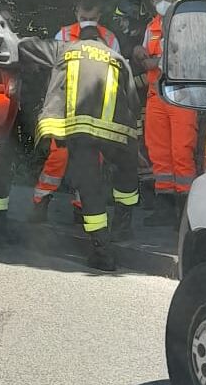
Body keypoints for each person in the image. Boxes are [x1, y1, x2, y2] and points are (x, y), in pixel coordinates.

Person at [17, 28, 141, 270]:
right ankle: (123, 228)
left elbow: (27, 47)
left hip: (79, 130)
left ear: (80, 39)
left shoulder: (66, 49)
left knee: (90, 187)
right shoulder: (117, 58)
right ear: (103, 41)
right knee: (125, 177)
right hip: (115, 131)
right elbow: (133, 101)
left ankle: (102, 250)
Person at [28, 0, 120, 223]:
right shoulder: (64, 35)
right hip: (66, 107)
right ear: (76, 12)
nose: (88, 22)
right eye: (84, 18)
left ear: (100, 16)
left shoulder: (109, 38)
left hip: (94, 109)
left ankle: (82, 206)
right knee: (58, 158)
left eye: (93, 19)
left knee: (90, 161)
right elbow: (54, 70)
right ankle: (41, 202)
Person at [133, 0, 199, 227]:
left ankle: (185, 210)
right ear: (152, 2)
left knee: (181, 150)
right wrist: (140, 53)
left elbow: (189, 54)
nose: (161, 2)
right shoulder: (152, 26)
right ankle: (165, 204)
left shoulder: (189, 23)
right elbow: (146, 58)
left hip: (182, 93)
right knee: (158, 151)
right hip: (157, 94)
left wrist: (155, 62)